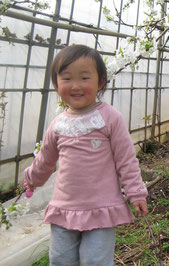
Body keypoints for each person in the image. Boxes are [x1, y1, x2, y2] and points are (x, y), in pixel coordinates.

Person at [24, 44, 148, 266]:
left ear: (101, 82)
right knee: (61, 259)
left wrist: (136, 193)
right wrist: (32, 179)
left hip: (101, 208)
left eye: (84, 78)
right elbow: (45, 159)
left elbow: (126, 159)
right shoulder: (58, 124)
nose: (75, 86)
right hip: (64, 207)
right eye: (67, 78)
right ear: (56, 83)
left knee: (96, 261)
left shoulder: (110, 118)